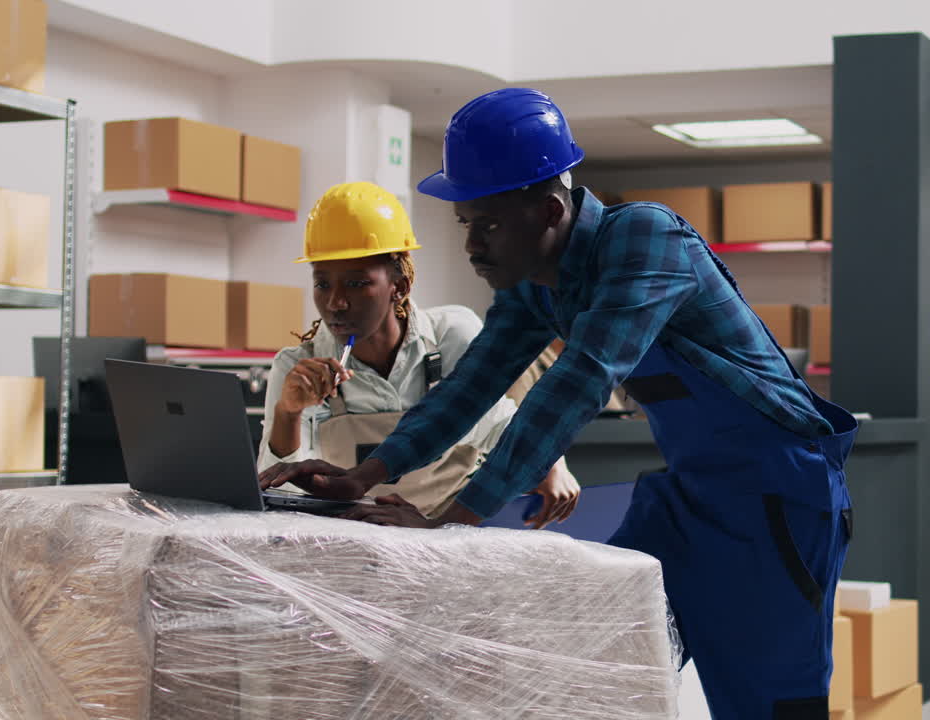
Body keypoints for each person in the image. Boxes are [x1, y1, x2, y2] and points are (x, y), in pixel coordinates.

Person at [262, 90, 858, 718]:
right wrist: (364, 475)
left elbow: (578, 382)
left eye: (489, 224)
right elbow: (470, 388)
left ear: (550, 211)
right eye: (467, 225)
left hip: (779, 492)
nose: (472, 246)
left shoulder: (646, 240)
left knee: (767, 699)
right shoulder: (535, 286)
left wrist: (450, 528)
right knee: (602, 665)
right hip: (690, 494)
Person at [257, 181, 580, 528]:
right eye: (323, 284)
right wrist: (288, 413)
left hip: (448, 531)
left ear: (400, 286)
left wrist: (551, 464)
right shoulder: (296, 368)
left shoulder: (451, 336)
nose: (336, 303)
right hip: (350, 535)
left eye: (356, 283)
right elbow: (279, 493)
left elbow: (496, 426)